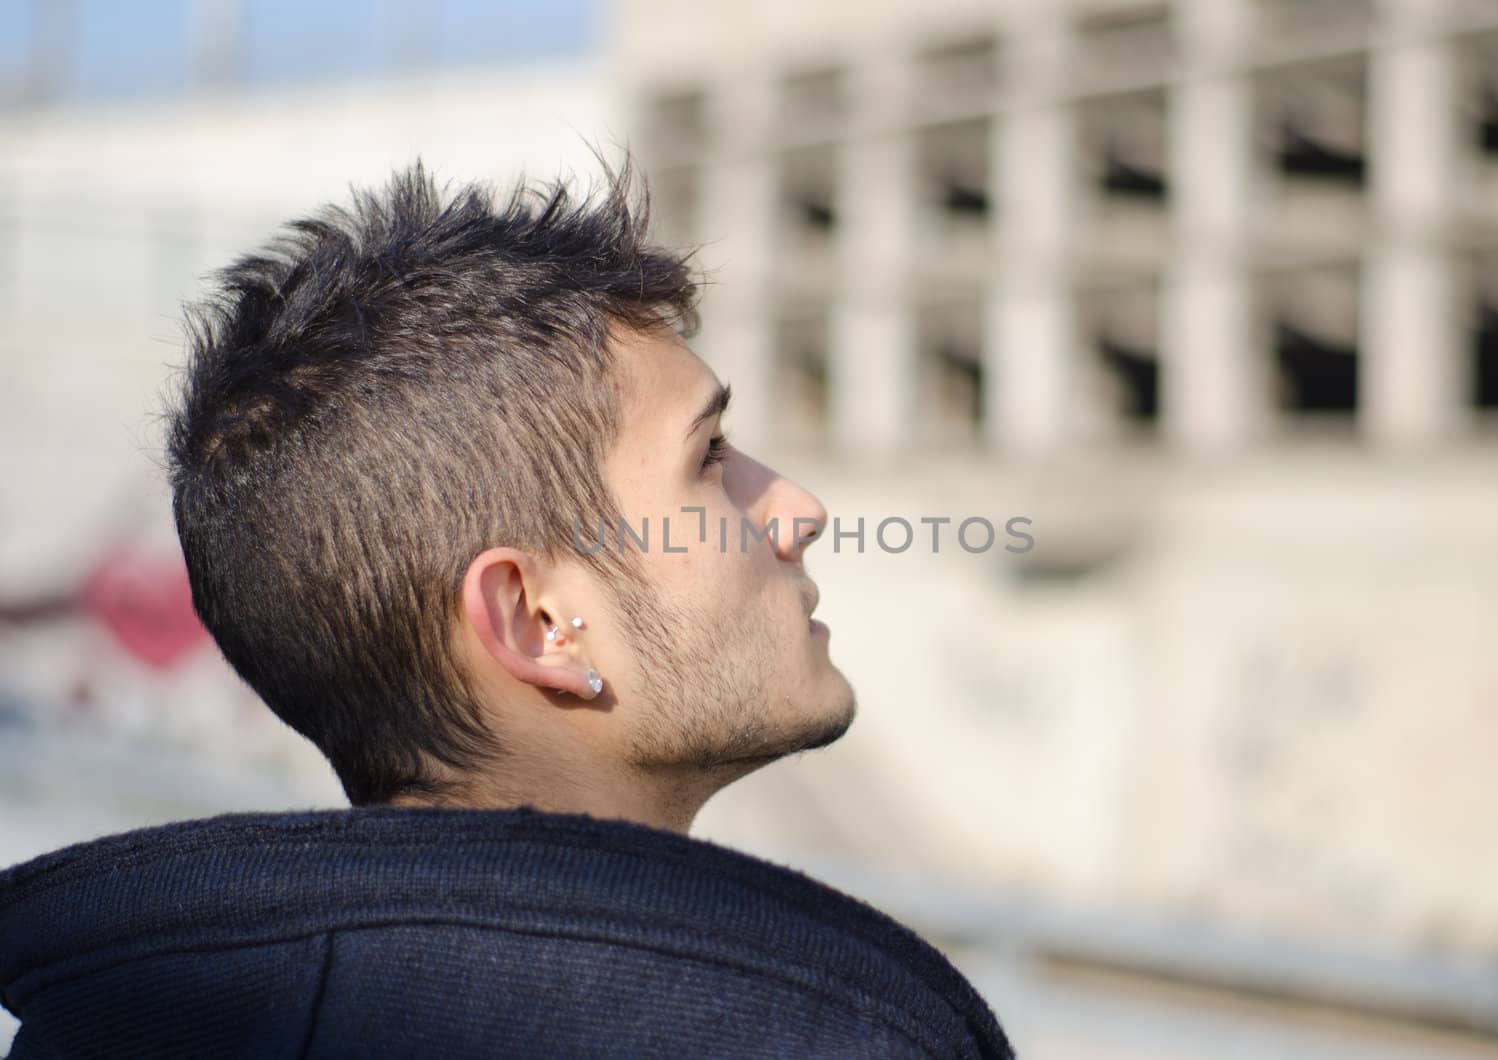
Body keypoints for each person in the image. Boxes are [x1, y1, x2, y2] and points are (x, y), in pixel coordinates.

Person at [0, 155, 1014, 1058]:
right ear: (535, 622)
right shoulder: (829, 1032)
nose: (795, 508)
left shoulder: (99, 1024)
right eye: (708, 460)